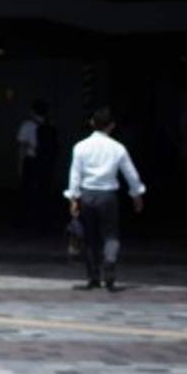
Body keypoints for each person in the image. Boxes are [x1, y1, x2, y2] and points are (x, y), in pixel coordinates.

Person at [65, 107, 146, 292]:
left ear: (92, 123)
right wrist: (137, 194)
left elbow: (75, 174)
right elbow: (131, 173)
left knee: (89, 237)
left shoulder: (80, 147)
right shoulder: (118, 148)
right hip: (108, 196)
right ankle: (109, 261)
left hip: (87, 194)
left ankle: (93, 277)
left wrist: (73, 197)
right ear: (112, 126)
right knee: (111, 235)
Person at [16, 100, 57, 231]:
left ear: (32, 111)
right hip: (45, 163)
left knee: (28, 192)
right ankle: (43, 222)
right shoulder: (51, 125)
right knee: (44, 191)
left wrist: (20, 165)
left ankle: (28, 222)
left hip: (31, 161)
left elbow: (22, 147)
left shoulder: (27, 125)